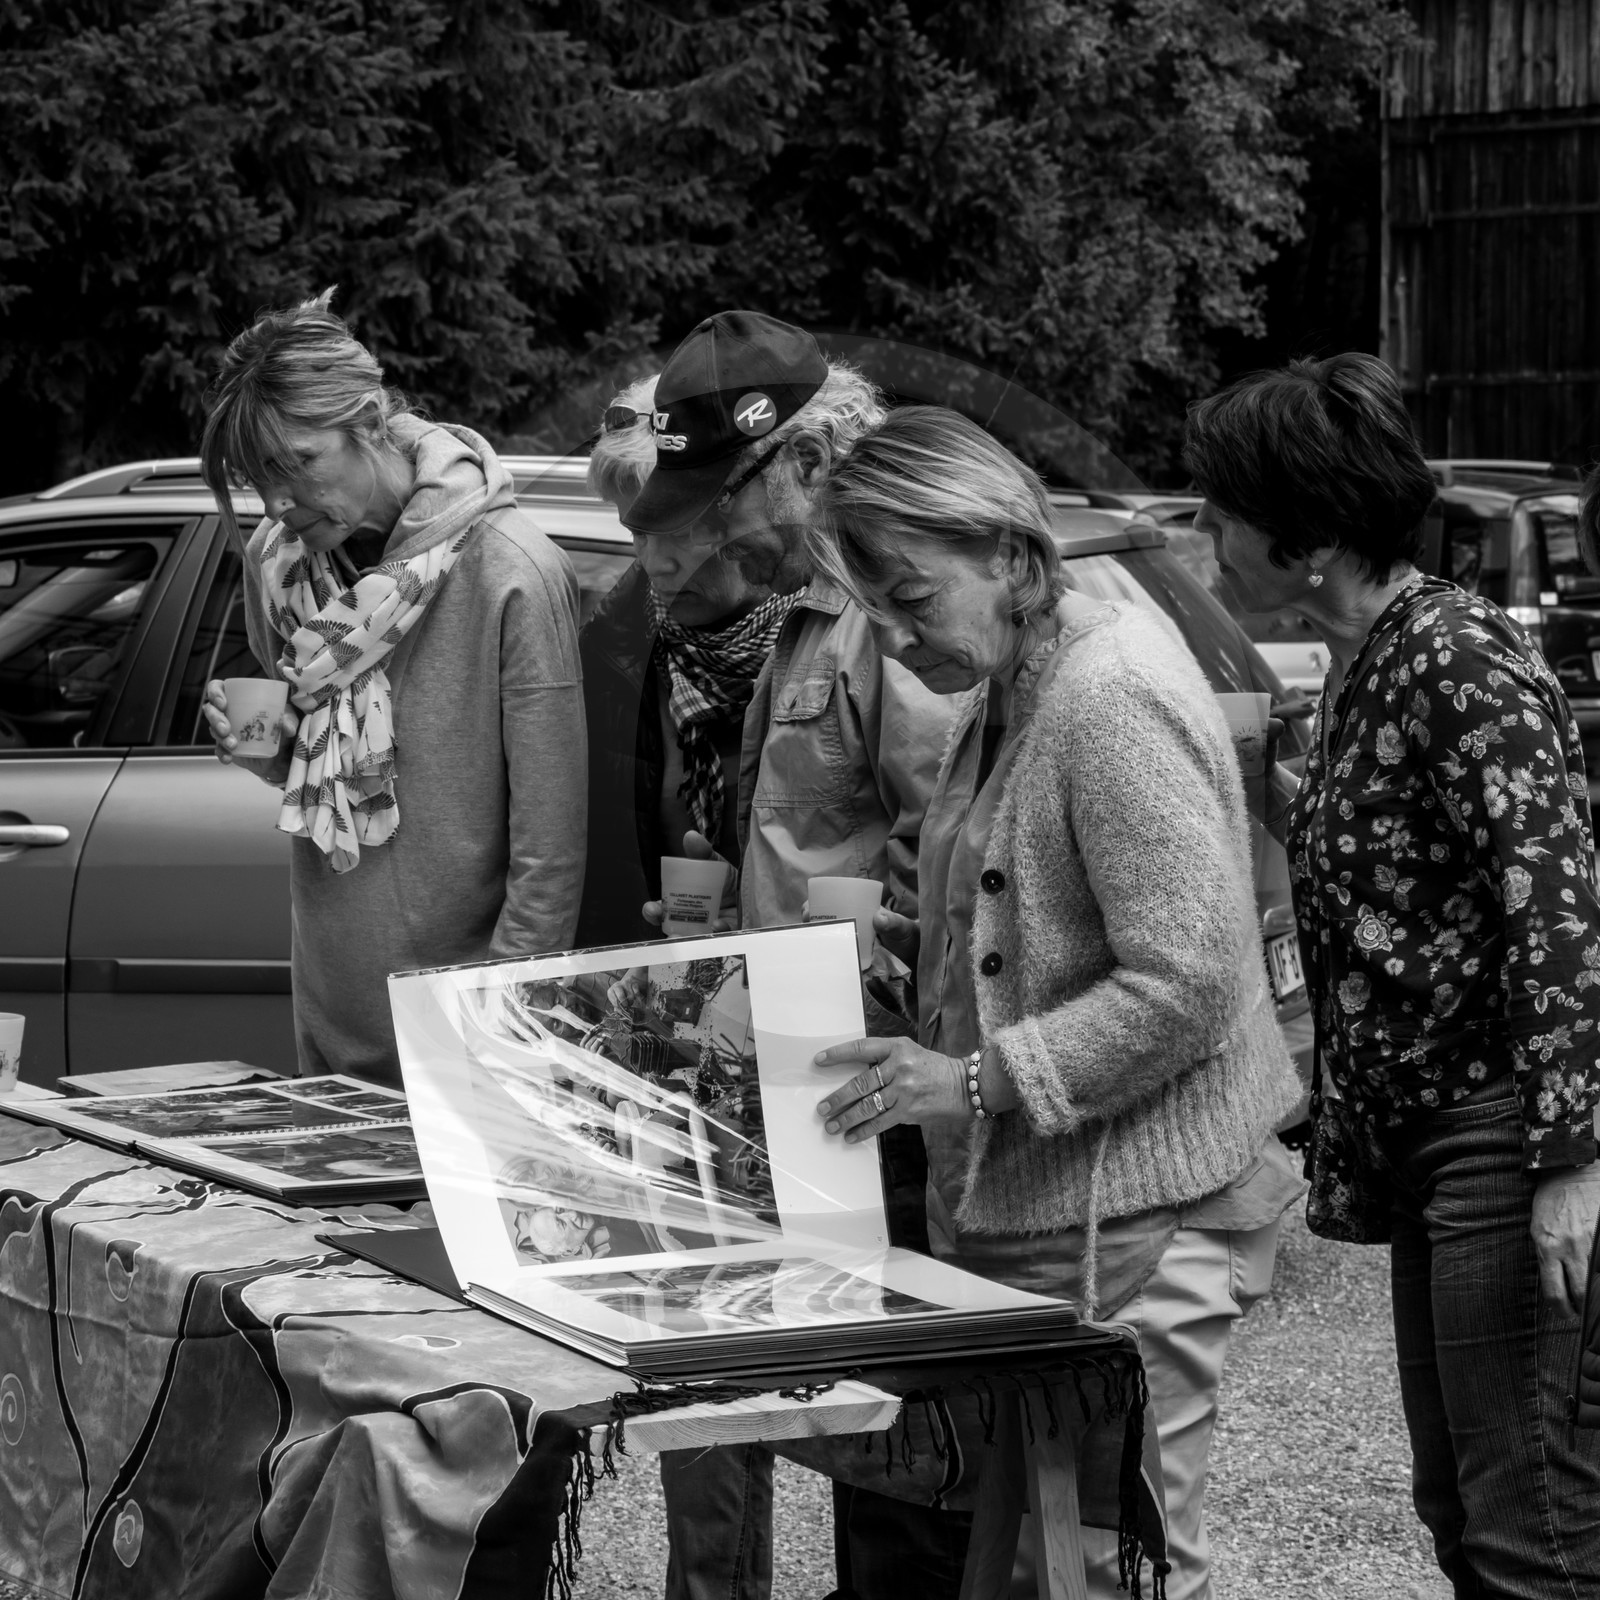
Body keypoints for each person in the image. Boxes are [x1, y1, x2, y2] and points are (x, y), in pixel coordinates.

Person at [809, 406, 1303, 1600]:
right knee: (1041, 1569)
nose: (890, 630)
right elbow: (1043, 916)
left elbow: (1186, 981)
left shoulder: (1107, 694)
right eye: (872, 603)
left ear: (1013, 559)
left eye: (912, 597)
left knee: (1112, 1569)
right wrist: (924, 948)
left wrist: (970, 1079)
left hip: (1138, 1226)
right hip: (1070, 1218)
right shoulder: (1016, 677)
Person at [1183, 352, 1600, 1596]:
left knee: (1530, 1521)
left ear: (1307, 538)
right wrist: (1290, 804)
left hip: (1499, 1138)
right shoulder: (1371, 655)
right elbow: (1421, 869)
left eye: (1221, 511)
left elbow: (1560, 909)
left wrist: (1571, 1162)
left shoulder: (1454, 656)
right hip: (1434, 1144)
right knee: (1462, 1508)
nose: (1202, 533)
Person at [620, 313, 959, 1600]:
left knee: (914, 1472)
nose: (704, 535)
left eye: (716, 501)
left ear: (799, 466)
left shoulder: (890, 617)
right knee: (875, 1468)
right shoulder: (806, 618)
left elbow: (956, 851)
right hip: (834, 1098)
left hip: (897, 1108)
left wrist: (842, 963)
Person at [198, 290, 586, 1085]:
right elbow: (311, 770)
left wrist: (498, 1036)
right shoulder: (280, 565)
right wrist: (262, 754)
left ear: (370, 422)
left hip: (471, 1037)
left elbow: (550, 854)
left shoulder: (511, 569)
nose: (274, 503)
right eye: (256, 479)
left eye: (295, 465)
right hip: (332, 1013)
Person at [577, 373, 793, 948]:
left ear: (744, 514)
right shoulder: (612, 651)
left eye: (679, 532)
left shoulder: (841, 645)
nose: (654, 563)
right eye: (636, 534)